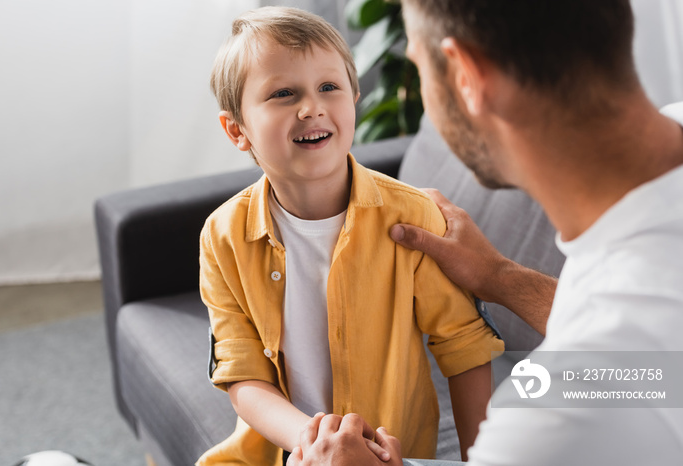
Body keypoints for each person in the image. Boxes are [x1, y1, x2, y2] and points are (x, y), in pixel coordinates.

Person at [288, 0, 683, 465]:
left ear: (466, 75)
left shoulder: (551, 422)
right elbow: (660, 367)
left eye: (418, 64)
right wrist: (499, 277)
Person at [197, 6, 504, 465]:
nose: (311, 107)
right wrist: (319, 445)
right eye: (283, 93)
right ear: (237, 130)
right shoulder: (222, 236)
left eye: (328, 87)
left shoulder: (413, 218)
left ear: (354, 97)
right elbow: (243, 379)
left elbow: (464, 348)